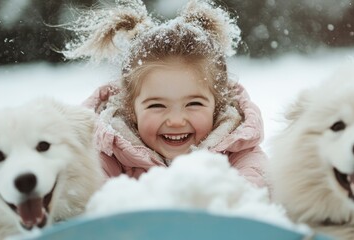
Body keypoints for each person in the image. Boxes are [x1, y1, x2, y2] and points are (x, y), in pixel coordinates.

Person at [62, 0, 268, 188]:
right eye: (156, 105)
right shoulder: (108, 155)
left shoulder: (238, 153)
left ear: (217, 105)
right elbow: (84, 194)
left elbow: (253, 191)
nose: (176, 121)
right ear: (131, 109)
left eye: (194, 103)